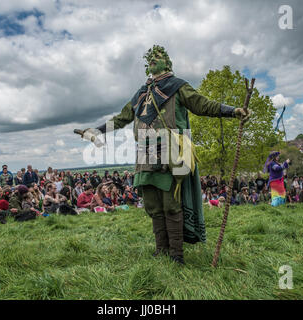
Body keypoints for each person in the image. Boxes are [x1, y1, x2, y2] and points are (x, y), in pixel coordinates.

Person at [79, 45, 250, 264]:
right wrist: (96, 131)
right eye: (150, 57)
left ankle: (177, 255)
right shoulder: (141, 93)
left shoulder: (178, 87)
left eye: (157, 57)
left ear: (167, 62)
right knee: (152, 204)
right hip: (144, 153)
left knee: (171, 204)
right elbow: (121, 118)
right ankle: (162, 250)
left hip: (172, 152)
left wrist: (232, 111)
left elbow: (202, 105)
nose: (152, 59)